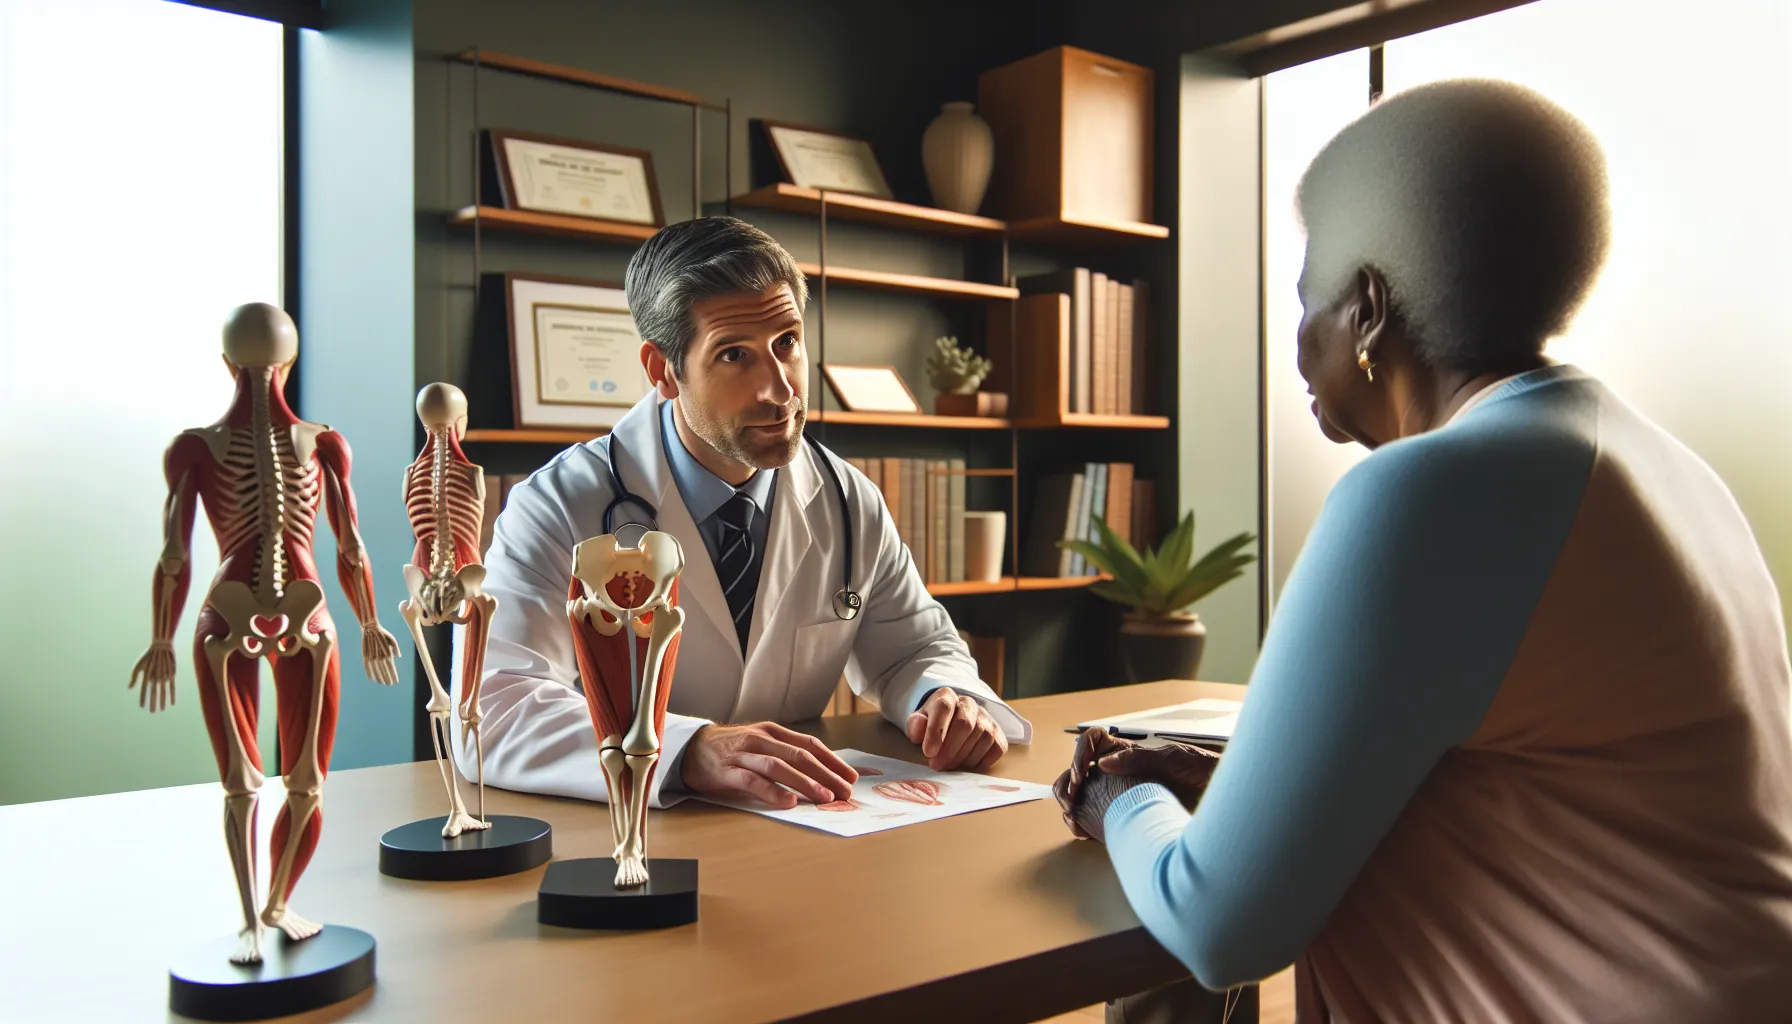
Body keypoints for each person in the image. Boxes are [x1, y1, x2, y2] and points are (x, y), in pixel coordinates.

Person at [1057, 78, 1792, 1023]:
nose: (1297, 343)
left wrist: (1118, 796)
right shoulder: (1663, 469)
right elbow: (1523, 783)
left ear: (1368, 310)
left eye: (1307, 300)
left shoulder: (1432, 490)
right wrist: (1222, 784)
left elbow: (1221, 925)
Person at [451, 216, 1030, 811]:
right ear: (662, 371)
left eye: (788, 343)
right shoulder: (561, 504)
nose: (779, 390)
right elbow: (492, 709)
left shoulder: (848, 499)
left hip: (799, 832)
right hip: (629, 841)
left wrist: (945, 696)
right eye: (735, 355)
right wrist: (685, 748)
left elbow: (914, 649)